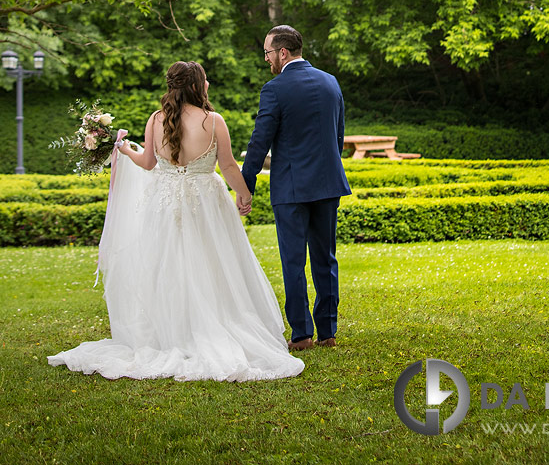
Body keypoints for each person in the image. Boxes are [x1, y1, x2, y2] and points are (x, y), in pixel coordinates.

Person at [48, 61, 303, 382]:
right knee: (213, 263)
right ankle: (209, 324)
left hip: (164, 203)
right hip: (206, 203)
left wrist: (125, 151)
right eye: (205, 79)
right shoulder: (213, 121)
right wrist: (244, 195)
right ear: (198, 85)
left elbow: (147, 162)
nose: (208, 83)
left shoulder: (156, 120)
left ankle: (170, 330)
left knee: (167, 265)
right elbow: (227, 165)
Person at [242, 25, 352, 350]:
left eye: (267, 53)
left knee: (293, 261)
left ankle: (302, 334)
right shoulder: (330, 82)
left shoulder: (274, 89)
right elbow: (338, 138)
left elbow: (259, 142)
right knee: (325, 258)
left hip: (291, 188)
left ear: (283, 53)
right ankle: (328, 332)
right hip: (328, 183)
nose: (266, 59)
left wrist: (245, 186)